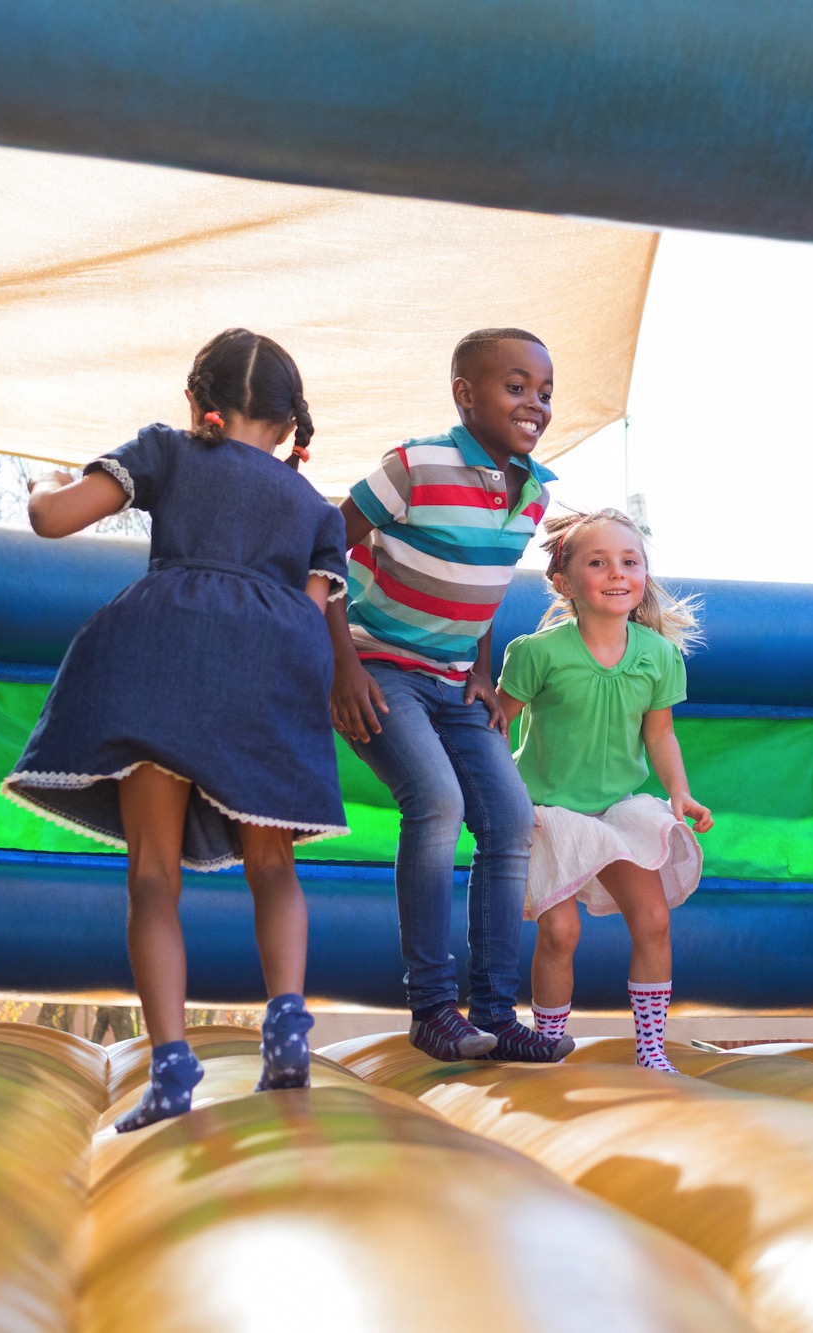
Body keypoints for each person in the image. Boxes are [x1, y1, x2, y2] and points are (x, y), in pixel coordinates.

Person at [5, 329, 348, 1131]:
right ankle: (288, 1023)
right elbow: (312, 607)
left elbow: (54, 520)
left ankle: (169, 1066)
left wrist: (41, 480)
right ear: (291, 424)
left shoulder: (169, 450)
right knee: (272, 861)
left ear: (199, 404)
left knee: (154, 875)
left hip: (160, 653)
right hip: (271, 663)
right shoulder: (312, 508)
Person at [326, 328, 568, 1063]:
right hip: (380, 666)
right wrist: (343, 665)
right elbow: (322, 547)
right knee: (436, 802)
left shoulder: (534, 492)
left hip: (453, 681)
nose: (535, 403)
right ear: (465, 394)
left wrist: (484, 674)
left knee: (511, 818)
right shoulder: (416, 464)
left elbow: (481, 590)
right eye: (516, 386)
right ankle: (433, 1006)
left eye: (546, 392)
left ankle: (494, 1012)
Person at [498, 509, 712, 1073]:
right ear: (565, 583)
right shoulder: (537, 653)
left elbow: (660, 734)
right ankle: (548, 1041)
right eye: (598, 563)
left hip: (618, 807)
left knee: (653, 920)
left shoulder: (657, 655)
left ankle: (650, 1048)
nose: (617, 574)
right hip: (548, 808)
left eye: (630, 561)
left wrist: (679, 794)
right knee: (561, 931)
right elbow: (495, 725)